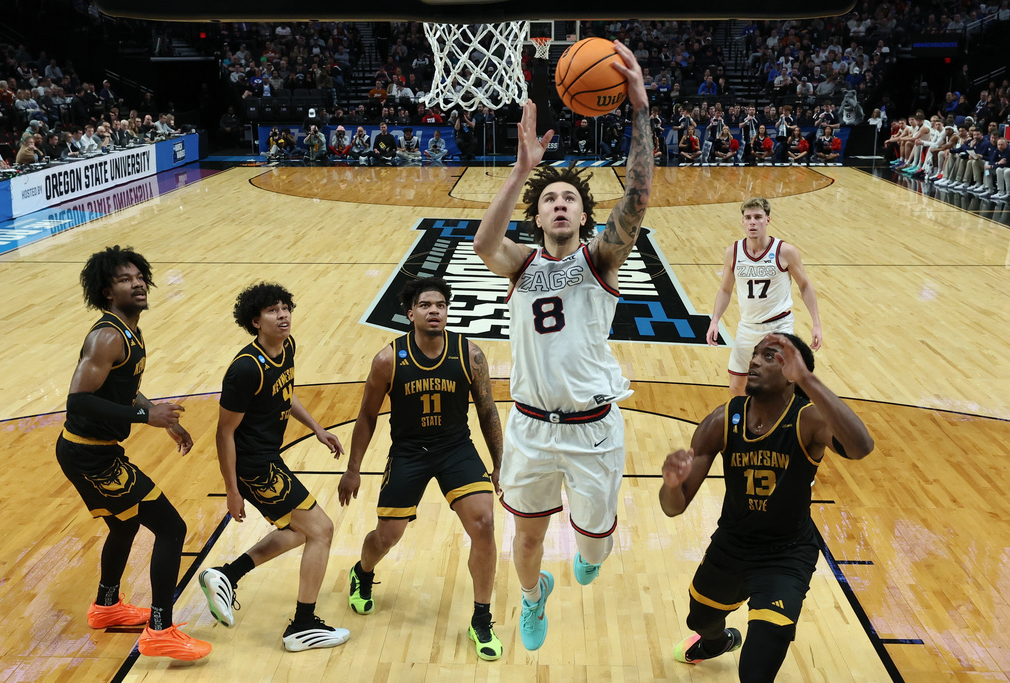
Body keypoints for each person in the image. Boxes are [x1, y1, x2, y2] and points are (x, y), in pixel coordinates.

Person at [472, 40, 651, 652]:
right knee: (524, 538)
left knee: (594, 544)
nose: (558, 203)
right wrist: (523, 169)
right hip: (529, 428)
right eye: (549, 198)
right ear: (538, 214)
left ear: (582, 214)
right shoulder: (519, 264)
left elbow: (638, 200)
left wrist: (641, 115)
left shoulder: (601, 260)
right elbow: (480, 245)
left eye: (569, 197)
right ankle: (530, 598)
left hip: (593, 428)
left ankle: (592, 554)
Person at [659, 333, 873, 680]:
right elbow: (674, 507)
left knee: (756, 671)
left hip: (785, 556)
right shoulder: (722, 420)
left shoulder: (808, 420)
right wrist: (670, 484)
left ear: (792, 372)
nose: (754, 360)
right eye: (755, 354)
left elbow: (861, 446)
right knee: (699, 621)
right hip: (731, 546)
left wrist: (808, 379)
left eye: (770, 356)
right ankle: (716, 643)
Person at [56, 246, 211, 661]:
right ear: (107, 291)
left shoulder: (129, 330)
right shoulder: (106, 335)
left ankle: (106, 608)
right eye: (125, 279)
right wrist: (145, 416)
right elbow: (78, 403)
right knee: (172, 528)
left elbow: (122, 388)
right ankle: (160, 630)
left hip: (95, 451)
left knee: (124, 526)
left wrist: (162, 416)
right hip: (90, 455)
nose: (137, 282)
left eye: (139, 275)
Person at [337, 277, 504, 661]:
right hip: (409, 453)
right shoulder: (388, 359)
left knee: (484, 524)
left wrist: (499, 463)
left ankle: (481, 618)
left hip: (455, 449)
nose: (434, 310)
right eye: (426, 304)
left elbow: (487, 411)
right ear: (410, 313)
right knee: (386, 538)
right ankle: (362, 573)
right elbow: (366, 416)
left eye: (441, 305)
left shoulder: (470, 355)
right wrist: (353, 468)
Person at [198, 282, 351, 652]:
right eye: (272, 311)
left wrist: (316, 427)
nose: (283, 315)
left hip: (268, 458)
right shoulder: (245, 370)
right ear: (255, 321)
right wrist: (232, 490)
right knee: (321, 530)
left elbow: (286, 391)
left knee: (298, 532)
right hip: (255, 466)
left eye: (285, 308)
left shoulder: (287, 346)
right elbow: (224, 433)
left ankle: (226, 575)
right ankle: (302, 624)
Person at [706, 197, 823, 396]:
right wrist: (715, 320)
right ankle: (745, 423)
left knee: (780, 384)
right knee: (736, 386)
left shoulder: (785, 251)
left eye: (758, 217)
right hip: (747, 327)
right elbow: (725, 290)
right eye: (748, 217)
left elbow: (805, 285)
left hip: (778, 326)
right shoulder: (733, 252)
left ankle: (783, 424)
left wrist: (816, 323)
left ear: (767, 220)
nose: (753, 222)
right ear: (742, 221)